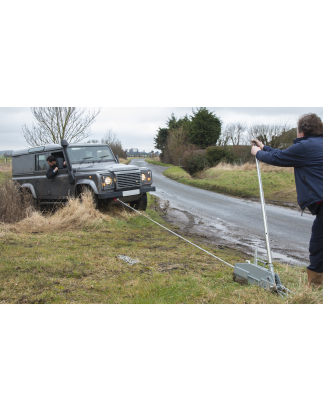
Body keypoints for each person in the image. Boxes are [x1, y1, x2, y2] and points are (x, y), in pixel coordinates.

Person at [251, 113, 323, 288]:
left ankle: (316, 286)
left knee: (318, 246)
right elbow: (285, 154)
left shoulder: (305, 147)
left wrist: (258, 153)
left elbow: (279, 158)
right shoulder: (315, 145)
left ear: (301, 131)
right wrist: (265, 147)